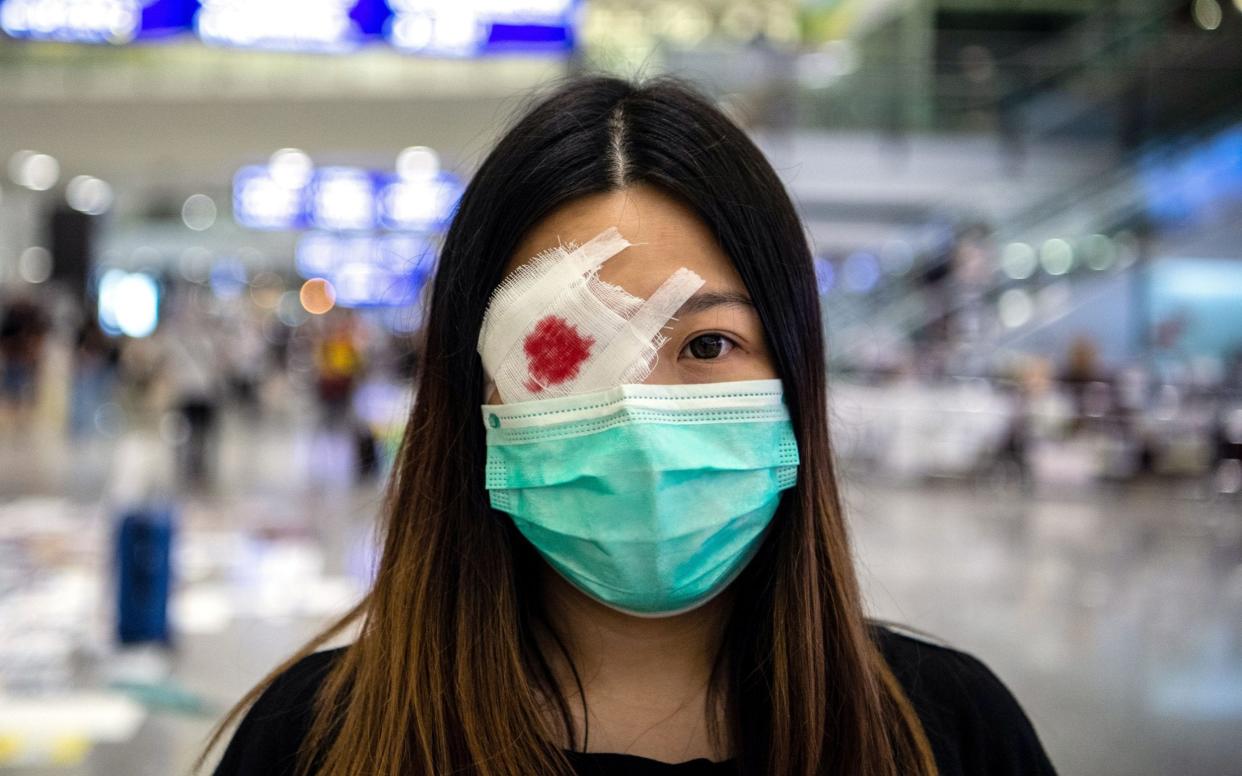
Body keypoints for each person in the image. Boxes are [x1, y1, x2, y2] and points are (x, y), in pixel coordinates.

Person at [202, 75, 1055, 776]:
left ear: (795, 372)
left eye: (708, 344)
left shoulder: (951, 736)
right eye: (565, 356)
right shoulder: (312, 744)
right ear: (479, 402)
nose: (638, 420)